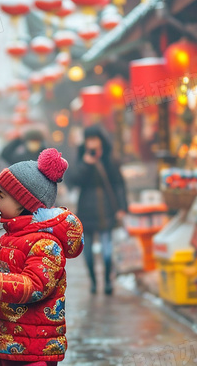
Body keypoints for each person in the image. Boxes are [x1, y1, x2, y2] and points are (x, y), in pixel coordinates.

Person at [0, 148, 84, 366]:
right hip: (6, 344)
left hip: (33, 351)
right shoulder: (11, 238)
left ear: (24, 203)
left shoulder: (46, 244)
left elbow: (34, 286)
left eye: (2, 195)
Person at [66, 125, 128, 295]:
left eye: (95, 139)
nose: (92, 143)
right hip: (86, 208)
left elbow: (119, 184)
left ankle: (108, 280)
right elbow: (73, 180)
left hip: (107, 207)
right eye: (89, 139)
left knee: (108, 250)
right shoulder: (81, 157)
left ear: (101, 140)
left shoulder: (109, 158)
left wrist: (122, 207)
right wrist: (86, 164)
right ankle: (94, 281)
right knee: (87, 252)